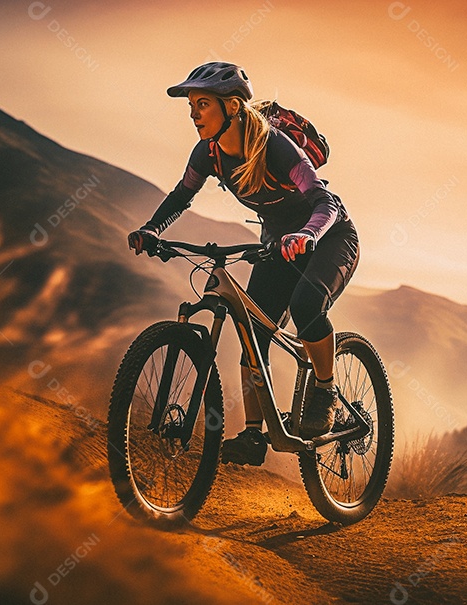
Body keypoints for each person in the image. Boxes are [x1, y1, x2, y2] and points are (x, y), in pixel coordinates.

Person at [128, 62, 360, 466]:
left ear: (232, 106)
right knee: (253, 333)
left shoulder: (276, 147)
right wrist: (152, 229)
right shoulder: (208, 153)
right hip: (278, 245)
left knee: (307, 307)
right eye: (191, 106)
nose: (193, 114)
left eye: (202, 104)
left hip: (329, 237)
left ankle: (325, 390)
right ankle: (254, 434)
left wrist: (307, 234)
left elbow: (325, 202)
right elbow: (181, 196)